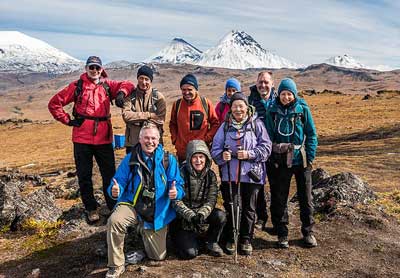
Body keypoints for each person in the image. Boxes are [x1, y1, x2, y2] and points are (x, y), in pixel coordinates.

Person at [48, 56, 133, 222]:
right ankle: (91, 208)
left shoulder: (107, 85)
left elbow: (128, 84)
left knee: (109, 174)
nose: (94, 70)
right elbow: (54, 103)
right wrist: (67, 120)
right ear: (86, 69)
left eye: (97, 68)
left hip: (104, 138)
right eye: (91, 67)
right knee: (84, 175)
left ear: (102, 70)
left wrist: (121, 93)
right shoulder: (77, 86)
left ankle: (113, 205)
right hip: (81, 138)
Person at [105, 123, 184, 278]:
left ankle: (142, 229)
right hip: (132, 205)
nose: (150, 141)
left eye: (153, 138)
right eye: (146, 138)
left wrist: (176, 192)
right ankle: (116, 265)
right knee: (115, 221)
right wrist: (115, 191)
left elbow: (178, 183)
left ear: (159, 140)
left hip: (157, 210)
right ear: (139, 139)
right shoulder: (130, 158)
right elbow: (118, 181)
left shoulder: (169, 160)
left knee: (157, 256)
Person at [211, 93, 272, 256]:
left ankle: (246, 239)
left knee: (249, 209)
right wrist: (221, 156)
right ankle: (232, 237)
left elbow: (266, 148)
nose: (238, 109)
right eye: (235, 106)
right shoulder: (224, 127)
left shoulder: (257, 124)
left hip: (251, 176)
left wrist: (250, 154)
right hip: (230, 176)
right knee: (232, 207)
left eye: (241, 105)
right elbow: (215, 149)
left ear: (247, 107)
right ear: (230, 108)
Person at [264, 78, 318, 249]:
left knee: (305, 197)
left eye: (289, 94)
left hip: (301, 160)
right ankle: (282, 233)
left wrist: (309, 157)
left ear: (294, 94)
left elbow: (311, 134)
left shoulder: (303, 110)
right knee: (280, 197)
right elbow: (268, 136)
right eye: (283, 94)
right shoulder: (271, 111)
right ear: (278, 94)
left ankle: (308, 232)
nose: (286, 97)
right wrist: (271, 157)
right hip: (280, 160)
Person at [170, 140, 226, 259]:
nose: (198, 161)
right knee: (189, 254)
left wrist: (201, 214)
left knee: (220, 216)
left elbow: (212, 199)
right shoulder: (180, 173)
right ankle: (178, 239)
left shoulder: (211, 175)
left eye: (201, 157)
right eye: (195, 157)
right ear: (189, 158)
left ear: (206, 158)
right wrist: (191, 215)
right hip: (183, 217)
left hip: (200, 212)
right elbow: (175, 201)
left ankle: (211, 241)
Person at [169, 73, 220, 162]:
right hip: (182, 152)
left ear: (196, 89)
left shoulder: (206, 103)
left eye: (189, 89)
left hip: (201, 153)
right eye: (183, 90)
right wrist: (175, 140)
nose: (186, 92)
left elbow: (215, 123)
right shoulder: (177, 105)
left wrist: (207, 139)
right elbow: (173, 124)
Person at [248, 71, 276, 231]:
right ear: (256, 83)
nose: (263, 85)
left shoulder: (278, 100)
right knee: (257, 184)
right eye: (260, 82)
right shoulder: (250, 101)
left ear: (272, 84)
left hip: (277, 151)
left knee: (277, 187)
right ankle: (262, 217)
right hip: (257, 151)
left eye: (266, 82)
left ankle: (278, 221)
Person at [122, 65, 166, 153]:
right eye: (141, 78)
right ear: (137, 79)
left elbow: (160, 119)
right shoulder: (130, 96)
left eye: (147, 79)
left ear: (151, 81)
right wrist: (149, 115)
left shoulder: (158, 97)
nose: (143, 82)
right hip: (133, 143)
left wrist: (136, 119)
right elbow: (126, 116)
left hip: (153, 143)